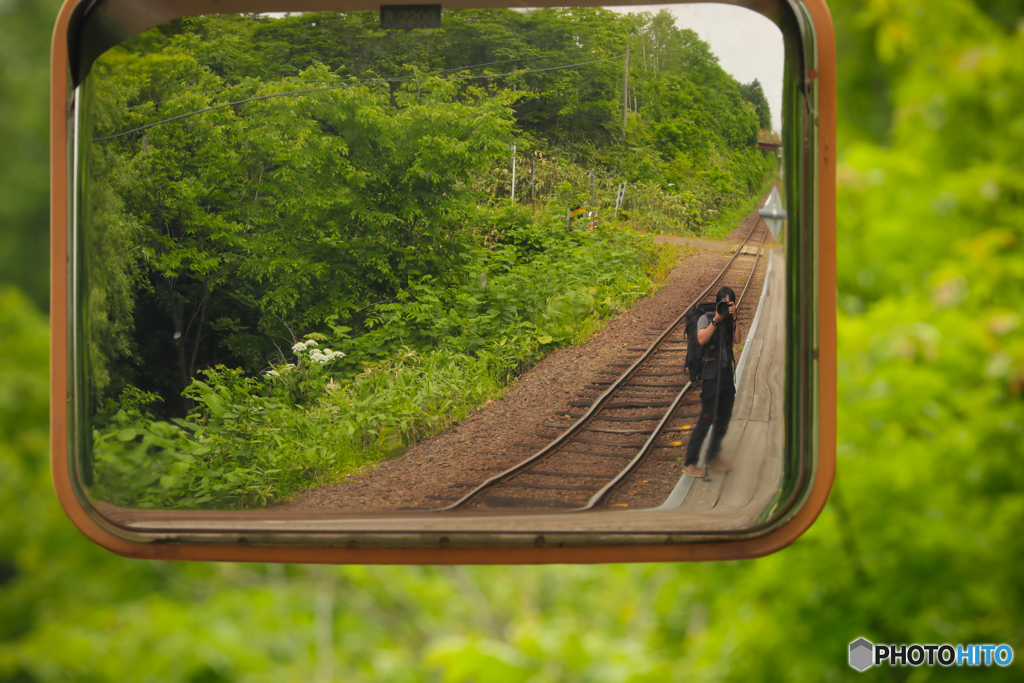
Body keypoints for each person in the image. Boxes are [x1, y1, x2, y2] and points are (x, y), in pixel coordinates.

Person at [681, 286, 739, 477]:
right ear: (717, 303)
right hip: (711, 377)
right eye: (724, 303)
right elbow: (701, 339)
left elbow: (737, 340)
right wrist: (717, 319)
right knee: (706, 419)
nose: (726, 306)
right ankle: (690, 462)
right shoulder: (705, 318)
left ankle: (712, 456)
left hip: (726, 376)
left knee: (723, 419)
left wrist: (735, 318)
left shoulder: (731, 319)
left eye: (730, 304)